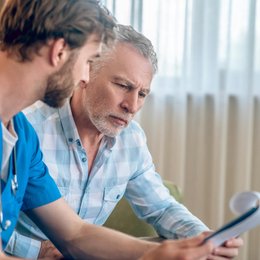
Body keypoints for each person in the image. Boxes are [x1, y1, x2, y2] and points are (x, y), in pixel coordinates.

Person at [7, 24, 242, 259]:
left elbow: (160, 209)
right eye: (123, 86)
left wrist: (203, 240)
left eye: (142, 94)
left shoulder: (131, 140)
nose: (132, 106)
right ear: (86, 73)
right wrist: (39, 250)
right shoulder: (26, 128)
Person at [0, 0, 164, 259]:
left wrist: (161, 252)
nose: (86, 78)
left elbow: (73, 234)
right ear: (60, 51)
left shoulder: (23, 137)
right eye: (89, 61)